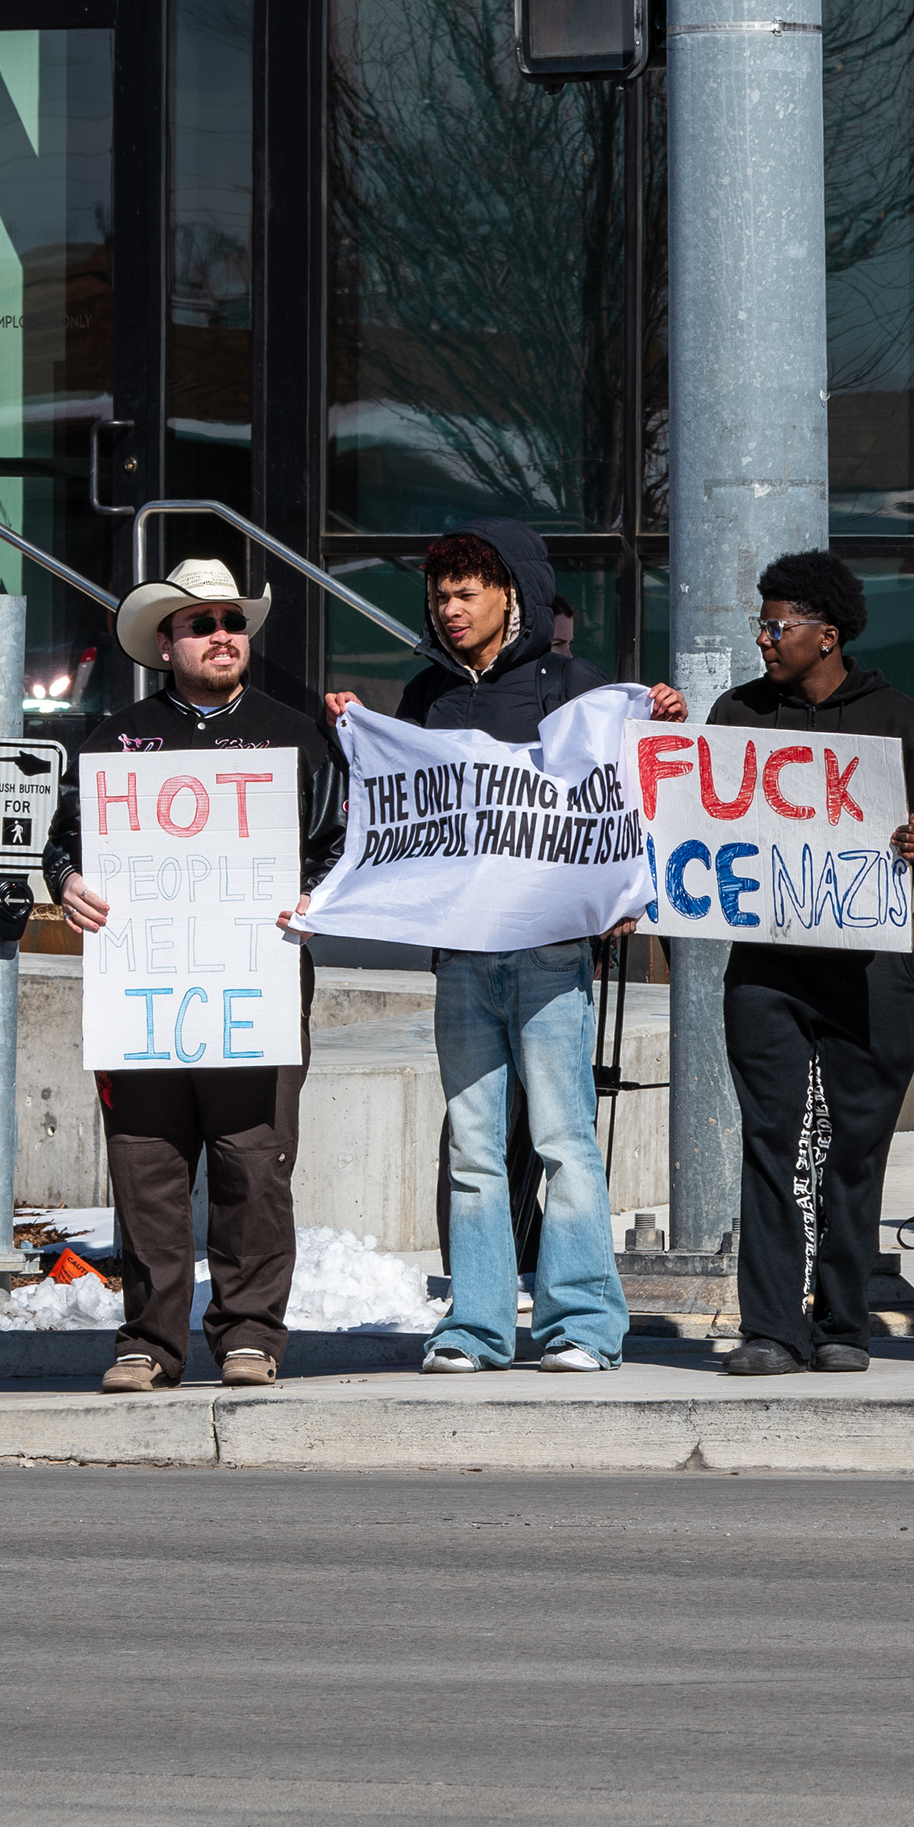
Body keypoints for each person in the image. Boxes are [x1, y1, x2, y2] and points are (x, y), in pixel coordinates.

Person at [330, 520, 686, 1376]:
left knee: (565, 1143)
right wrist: (356, 733)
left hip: (552, 955)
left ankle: (584, 1325)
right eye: (439, 595)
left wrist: (657, 723)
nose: (449, 609)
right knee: (474, 1147)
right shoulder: (425, 698)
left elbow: (620, 797)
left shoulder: (571, 683)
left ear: (510, 595)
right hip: (459, 959)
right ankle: (476, 1327)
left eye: (466, 593)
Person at [42, 557, 350, 1395]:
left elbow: (338, 844)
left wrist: (312, 892)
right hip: (142, 991)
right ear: (164, 644)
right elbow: (64, 846)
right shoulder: (114, 740)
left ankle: (250, 1336)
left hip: (258, 981)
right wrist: (67, 884)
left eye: (232, 621)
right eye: (202, 624)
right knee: (146, 1166)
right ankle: (149, 1341)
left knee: (253, 1163)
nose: (223, 636)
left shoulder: (296, 734)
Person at [710, 551, 914, 1378]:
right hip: (768, 968)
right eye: (762, 625)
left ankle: (843, 1320)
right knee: (770, 1141)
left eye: (779, 626)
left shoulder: (898, 719)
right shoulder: (736, 713)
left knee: (856, 1147)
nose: (766, 640)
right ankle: (770, 1327)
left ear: (828, 635)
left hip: (868, 968)